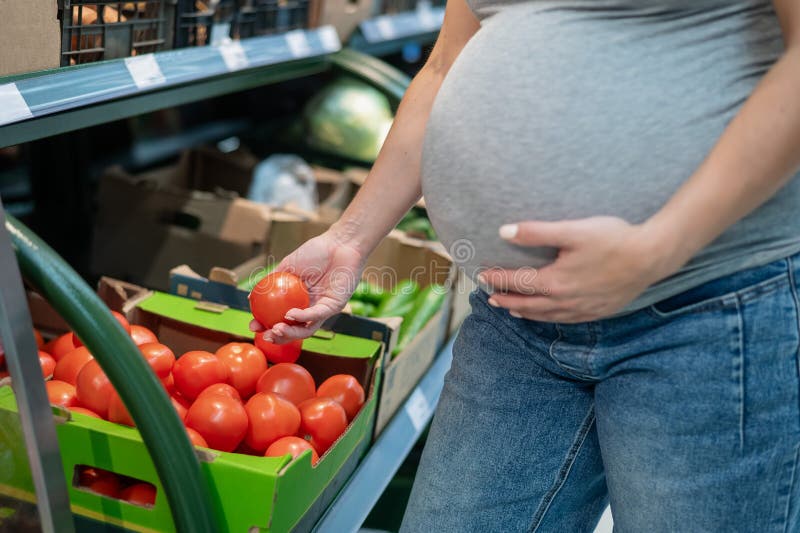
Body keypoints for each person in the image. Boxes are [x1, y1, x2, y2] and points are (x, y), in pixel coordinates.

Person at [251, 0, 800, 530]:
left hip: (704, 308)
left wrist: (659, 245)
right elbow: (446, 62)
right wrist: (351, 237)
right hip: (513, 321)